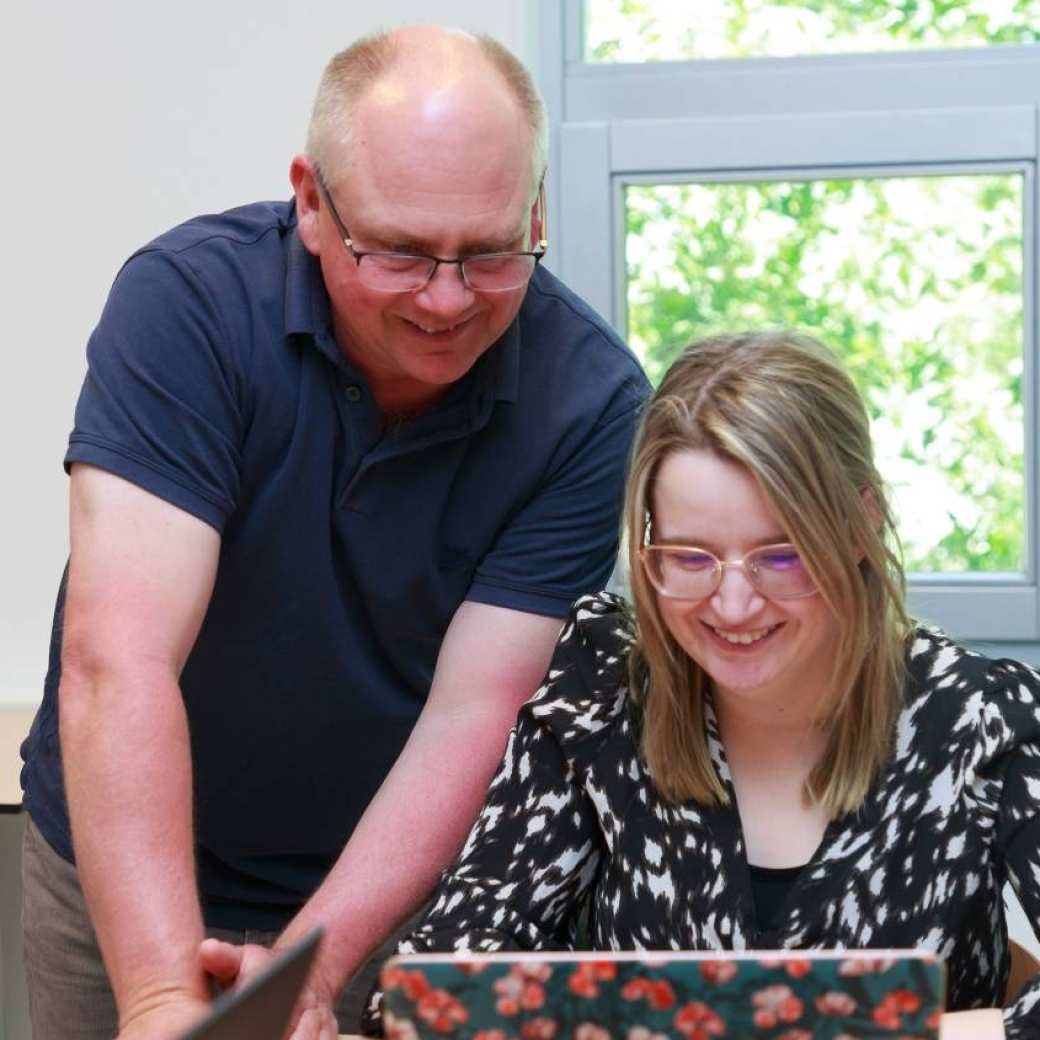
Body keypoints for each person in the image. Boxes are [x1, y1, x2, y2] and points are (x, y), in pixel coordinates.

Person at [19, 25, 649, 1040]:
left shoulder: (589, 401)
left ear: (532, 213)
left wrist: (309, 973)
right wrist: (159, 999)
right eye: (399, 251)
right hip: (118, 861)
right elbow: (117, 660)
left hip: (373, 877)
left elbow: (472, 716)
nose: (445, 300)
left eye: (488, 253)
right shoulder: (187, 308)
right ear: (311, 201)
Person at [376, 330, 1040, 1040]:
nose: (732, 607)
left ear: (859, 528)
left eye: (780, 556)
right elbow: (430, 988)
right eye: (690, 558)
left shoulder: (985, 718)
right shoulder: (602, 692)